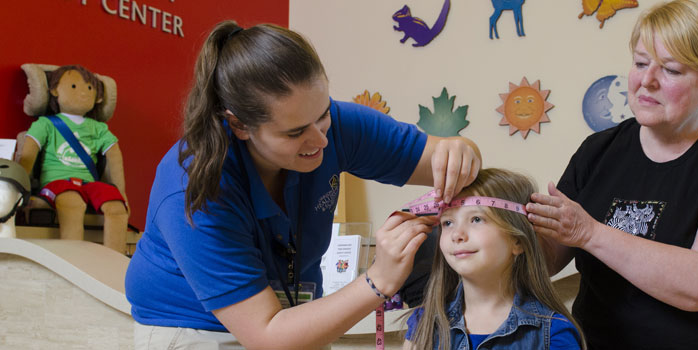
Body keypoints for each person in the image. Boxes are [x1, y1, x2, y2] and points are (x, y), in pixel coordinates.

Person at [125, 21, 482, 349]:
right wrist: (378, 281)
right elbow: (267, 335)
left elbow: (445, 160)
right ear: (239, 125)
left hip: (291, 314)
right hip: (195, 326)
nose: (321, 141)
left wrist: (462, 152)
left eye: (323, 114)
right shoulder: (194, 188)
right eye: (295, 132)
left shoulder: (336, 126)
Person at [526, 0, 698, 349]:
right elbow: (549, 257)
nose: (647, 81)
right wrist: (484, 224)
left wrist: (589, 232)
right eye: (641, 63)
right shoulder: (597, 151)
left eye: (671, 70)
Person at [403, 168, 584, 350]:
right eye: (448, 223)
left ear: (518, 241)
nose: (457, 234)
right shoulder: (424, 323)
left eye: (476, 219)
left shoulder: (554, 334)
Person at [17, 65, 129, 253]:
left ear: (99, 96)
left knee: (116, 206)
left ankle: (114, 261)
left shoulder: (98, 128)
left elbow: (114, 156)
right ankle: (72, 257)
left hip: (88, 184)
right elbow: (29, 154)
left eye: (89, 88)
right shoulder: (46, 124)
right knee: (72, 202)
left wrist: (122, 193)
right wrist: (21, 188)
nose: (84, 93)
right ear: (54, 90)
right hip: (58, 182)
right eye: (74, 87)